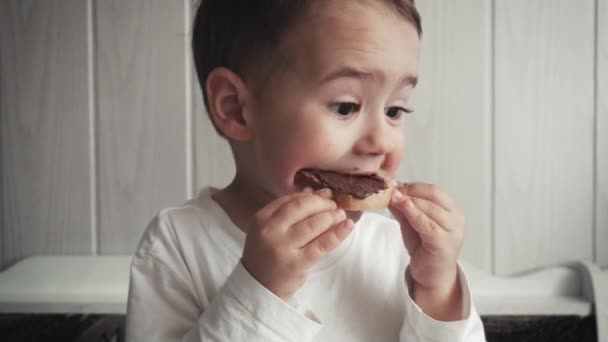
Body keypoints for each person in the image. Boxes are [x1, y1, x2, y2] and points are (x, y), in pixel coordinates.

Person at [126, 0, 487, 341]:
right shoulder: (178, 244)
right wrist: (259, 291)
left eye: (395, 110)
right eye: (345, 106)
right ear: (236, 108)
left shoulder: (397, 250)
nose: (380, 142)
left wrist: (439, 294)